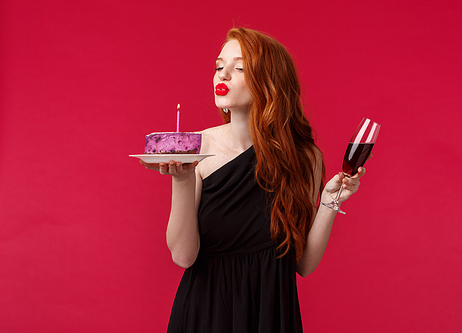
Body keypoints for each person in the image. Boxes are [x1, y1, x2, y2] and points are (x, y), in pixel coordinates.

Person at [140, 28, 367, 333]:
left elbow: (304, 264)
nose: (223, 76)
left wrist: (330, 200)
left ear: (270, 81)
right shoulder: (196, 146)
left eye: (239, 68)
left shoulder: (306, 158)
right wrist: (181, 180)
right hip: (205, 315)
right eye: (219, 67)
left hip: (271, 314)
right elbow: (183, 256)